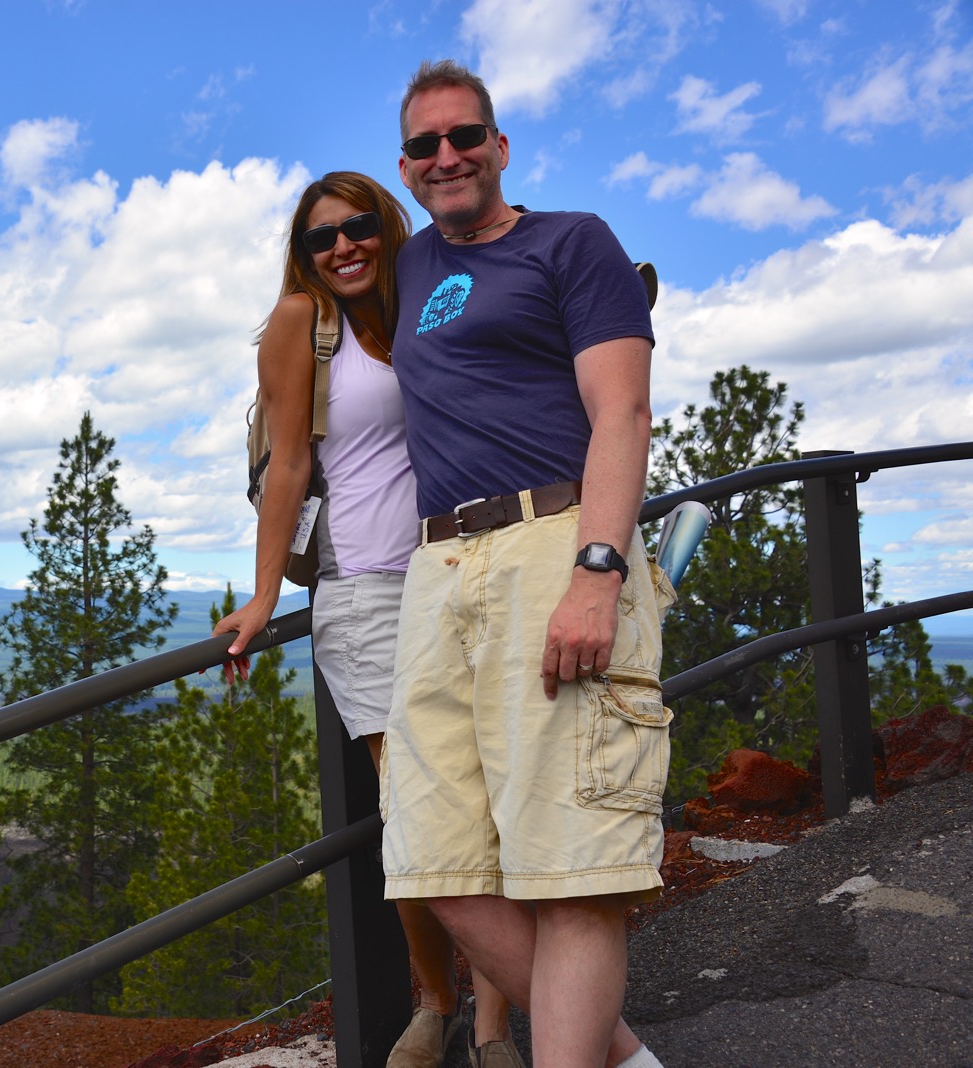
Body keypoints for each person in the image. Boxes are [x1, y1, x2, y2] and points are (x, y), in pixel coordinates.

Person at [382, 60, 672, 1068]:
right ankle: (622, 1058)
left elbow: (622, 412)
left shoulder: (571, 241)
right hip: (439, 569)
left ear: (499, 147)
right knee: (440, 863)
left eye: (466, 137)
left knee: (572, 867)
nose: (448, 156)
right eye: (426, 145)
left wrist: (597, 570)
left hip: (553, 542)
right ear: (407, 167)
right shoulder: (411, 268)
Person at [215, 170, 520, 1068]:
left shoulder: (432, 300)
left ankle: (495, 1021)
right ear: (303, 255)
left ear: (388, 229)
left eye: (356, 228)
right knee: (419, 816)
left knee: (493, 801)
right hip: (360, 591)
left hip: (462, 566)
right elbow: (289, 466)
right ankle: (434, 1001)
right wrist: (267, 593)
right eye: (321, 237)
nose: (341, 247)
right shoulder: (299, 327)